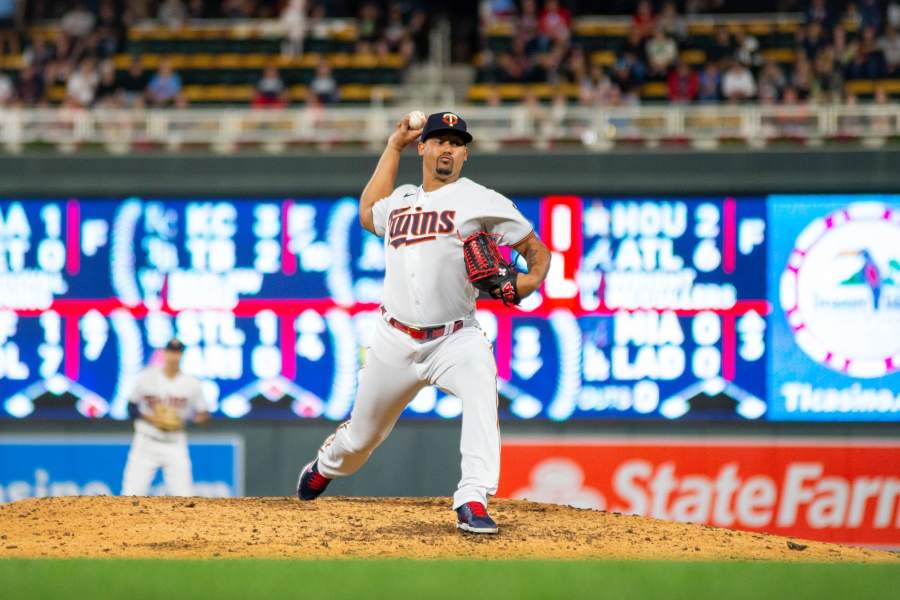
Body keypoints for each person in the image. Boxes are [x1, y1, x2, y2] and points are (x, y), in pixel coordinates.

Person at [295, 112, 551, 534]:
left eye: (456, 142)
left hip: (455, 337)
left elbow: (538, 255)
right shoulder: (400, 200)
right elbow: (366, 214)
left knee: (482, 391)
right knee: (360, 441)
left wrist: (522, 285)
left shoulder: (482, 200)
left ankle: (472, 497)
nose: (447, 147)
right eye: (439, 140)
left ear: (465, 153)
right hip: (394, 339)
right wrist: (392, 146)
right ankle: (325, 465)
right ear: (424, 147)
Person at [121, 339, 209, 496]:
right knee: (131, 495)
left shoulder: (192, 384)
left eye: (177, 353)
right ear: (164, 353)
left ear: (182, 355)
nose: (174, 356)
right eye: (171, 352)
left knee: (184, 497)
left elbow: (203, 414)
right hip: (146, 441)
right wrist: (151, 418)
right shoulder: (146, 377)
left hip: (175, 443)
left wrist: (185, 421)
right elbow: (131, 408)